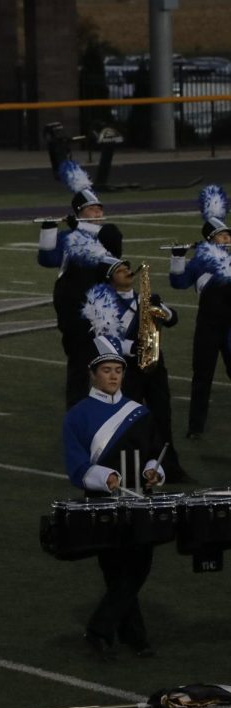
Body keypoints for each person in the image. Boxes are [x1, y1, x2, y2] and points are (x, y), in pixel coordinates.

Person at [62, 339, 165, 660]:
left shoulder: (139, 412)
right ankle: (135, 637)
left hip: (139, 500)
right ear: (93, 374)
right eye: (106, 370)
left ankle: (102, 629)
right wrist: (105, 478)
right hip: (101, 503)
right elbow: (76, 463)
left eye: (118, 370)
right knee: (115, 568)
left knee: (138, 566)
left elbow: (154, 450)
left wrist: (152, 471)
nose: (114, 376)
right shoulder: (78, 415)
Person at [80, 256, 187, 481]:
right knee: (130, 421)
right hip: (127, 371)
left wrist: (163, 310)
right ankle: (130, 469)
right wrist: (133, 347)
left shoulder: (145, 299)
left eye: (127, 267)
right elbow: (101, 338)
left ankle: (167, 467)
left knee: (162, 417)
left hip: (155, 367)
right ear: (109, 280)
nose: (127, 271)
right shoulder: (102, 307)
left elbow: (173, 319)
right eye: (119, 270)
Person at [38, 160, 124, 408]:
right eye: (92, 210)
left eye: (99, 209)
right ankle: (77, 409)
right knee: (78, 360)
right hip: (74, 306)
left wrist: (82, 227)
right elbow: (48, 259)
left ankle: (110, 405)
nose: (98, 213)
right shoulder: (68, 238)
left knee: (109, 358)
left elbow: (114, 247)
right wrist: (48, 231)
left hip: (104, 307)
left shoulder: (107, 234)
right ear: (79, 212)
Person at [170, 184, 231, 440]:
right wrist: (177, 258)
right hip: (207, 326)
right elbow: (179, 283)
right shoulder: (199, 262)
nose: (227, 240)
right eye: (222, 236)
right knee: (201, 377)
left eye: (229, 235)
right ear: (209, 240)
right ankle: (196, 427)